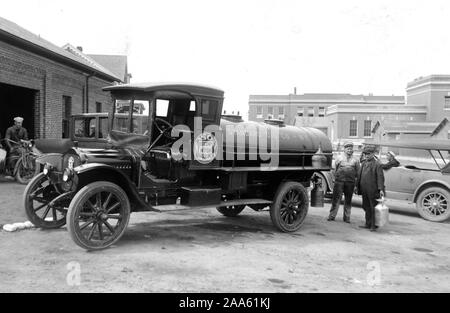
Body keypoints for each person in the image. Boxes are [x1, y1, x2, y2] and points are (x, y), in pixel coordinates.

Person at [328, 141, 360, 223]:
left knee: (348, 200)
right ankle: (332, 216)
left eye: (351, 149)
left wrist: (356, 185)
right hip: (339, 182)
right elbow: (334, 170)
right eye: (348, 149)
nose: (350, 150)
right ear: (344, 149)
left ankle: (347, 218)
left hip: (350, 183)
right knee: (336, 199)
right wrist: (335, 179)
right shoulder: (339, 158)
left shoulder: (356, 160)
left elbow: (358, 172)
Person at [356, 145, 385, 231]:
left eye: (368, 154)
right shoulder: (364, 163)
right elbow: (359, 175)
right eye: (365, 154)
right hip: (364, 189)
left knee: (373, 207)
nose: (366, 155)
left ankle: (374, 225)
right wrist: (357, 186)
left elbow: (380, 178)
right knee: (365, 206)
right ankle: (367, 223)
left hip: (373, 190)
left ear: (373, 154)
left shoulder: (377, 164)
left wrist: (380, 189)